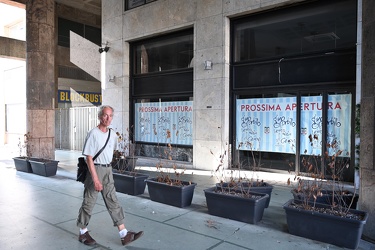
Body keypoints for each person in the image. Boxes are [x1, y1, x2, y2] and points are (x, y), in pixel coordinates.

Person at [76, 105, 143, 246]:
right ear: (100, 116)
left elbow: (112, 153)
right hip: (95, 170)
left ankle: (124, 234)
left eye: (111, 115)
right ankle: (83, 233)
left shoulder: (112, 134)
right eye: (106, 115)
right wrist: (95, 179)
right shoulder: (93, 133)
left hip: (108, 171)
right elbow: (89, 158)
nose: (108, 118)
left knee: (112, 200)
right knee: (89, 203)